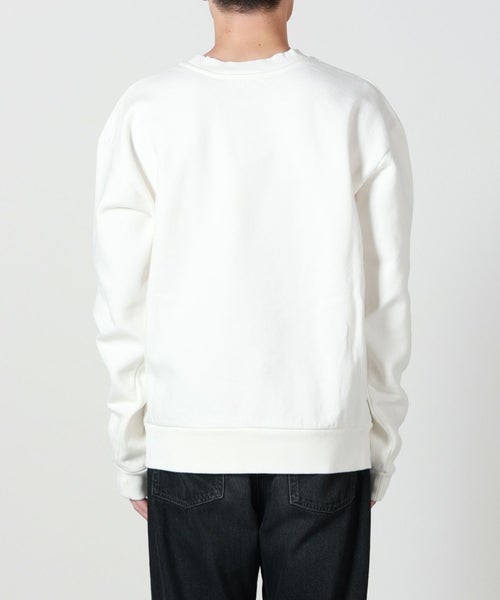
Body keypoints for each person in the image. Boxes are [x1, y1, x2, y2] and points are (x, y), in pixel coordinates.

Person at [92, 0, 413, 597]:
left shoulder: (148, 108)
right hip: (323, 442)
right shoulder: (355, 106)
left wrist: (133, 445)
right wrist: (377, 443)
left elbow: (121, 296)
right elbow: (385, 295)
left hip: (190, 439)